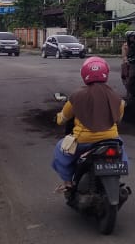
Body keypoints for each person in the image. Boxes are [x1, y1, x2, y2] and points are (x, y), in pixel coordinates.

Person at [52, 56, 126, 195]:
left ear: (84, 73)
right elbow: (118, 119)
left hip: (83, 141)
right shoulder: (116, 97)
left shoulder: (76, 96)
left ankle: (68, 183)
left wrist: (56, 118)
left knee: (60, 150)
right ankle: (118, 173)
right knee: (121, 149)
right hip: (111, 139)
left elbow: (63, 118)